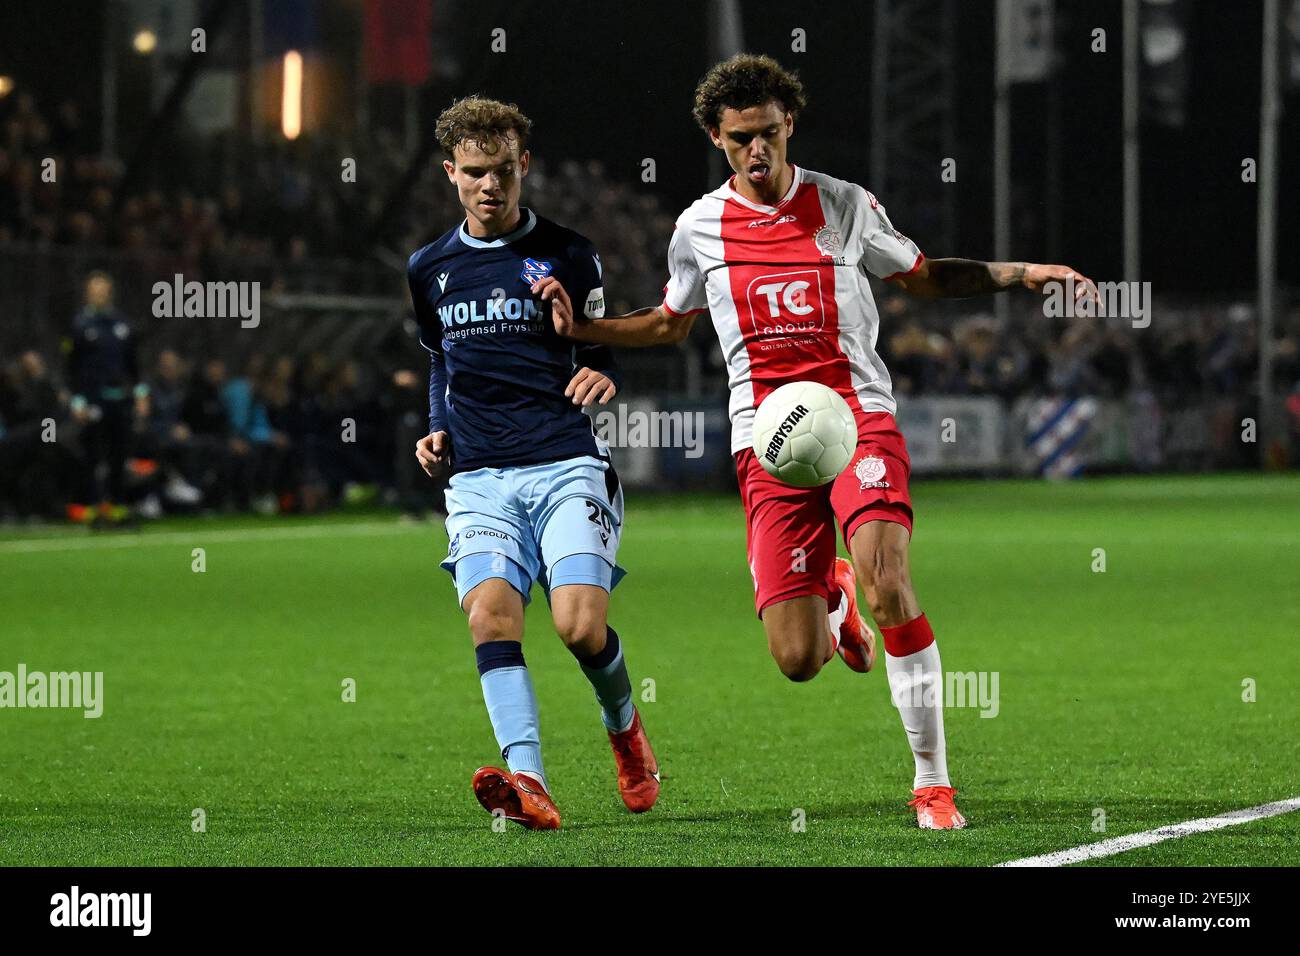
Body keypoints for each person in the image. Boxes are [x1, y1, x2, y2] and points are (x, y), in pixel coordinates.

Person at [547, 55, 1100, 830]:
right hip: (767, 440)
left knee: (891, 580)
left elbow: (924, 275)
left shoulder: (842, 204)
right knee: (796, 660)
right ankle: (829, 593)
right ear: (717, 137)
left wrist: (1020, 272)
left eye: (770, 133)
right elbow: (671, 322)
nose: (758, 151)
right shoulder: (699, 227)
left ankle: (932, 781)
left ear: (789, 125)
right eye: (742, 138)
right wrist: (586, 331)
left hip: (855, 415)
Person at [409, 96, 659, 830]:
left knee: (580, 628)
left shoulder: (570, 253)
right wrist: (437, 429)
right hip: (480, 475)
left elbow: (600, 342)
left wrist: (602, 371)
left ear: (525, 167)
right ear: (451, 173)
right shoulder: (429, 268)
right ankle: (530, 782)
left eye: (503, 172)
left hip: (563, 463)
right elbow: (437, 361)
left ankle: (624, 727)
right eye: (475, 173)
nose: (491, 186)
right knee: (490, 617)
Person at [66, 271, 146, 523]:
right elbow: (71, 367)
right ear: (87, 294)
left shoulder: (122, 325)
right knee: (90, 453)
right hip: (91, 401)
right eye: (94, 290)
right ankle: (88, 505)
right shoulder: (79, 325)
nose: (98, 295)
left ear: (109, 293)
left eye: (103, 290)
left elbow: (134, 366)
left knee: (119, 454)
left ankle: (117, 505)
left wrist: (141, 394)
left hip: (119, 400)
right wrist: (76, 400)